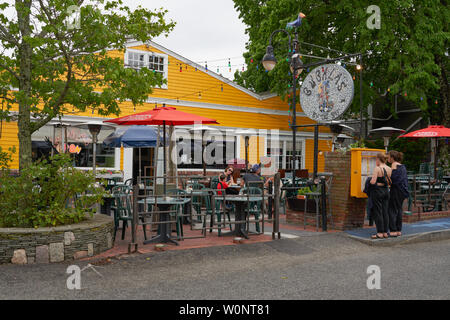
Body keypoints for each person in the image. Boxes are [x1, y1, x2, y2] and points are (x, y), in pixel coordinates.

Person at [370, 153, 392, 239]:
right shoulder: (389, 169)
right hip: (386, 191)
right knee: (385, 211)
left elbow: (373, 181)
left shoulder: (377, 168)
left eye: (376, 159)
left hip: (378, 191)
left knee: (378, 211)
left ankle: (379, 232)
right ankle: (385, 232)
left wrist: (370, 181)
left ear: (378, 159)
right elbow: (390, 181)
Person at [387, 150, 409, 237]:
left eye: (388, 157)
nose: (387, 158)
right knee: (399, 209)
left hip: (396, 190)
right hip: (403, 191)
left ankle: (393, 230)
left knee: (391, 209)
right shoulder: (402, 166)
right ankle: (399, 230)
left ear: (392, 158)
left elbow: (392, 179)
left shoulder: (394, 165)